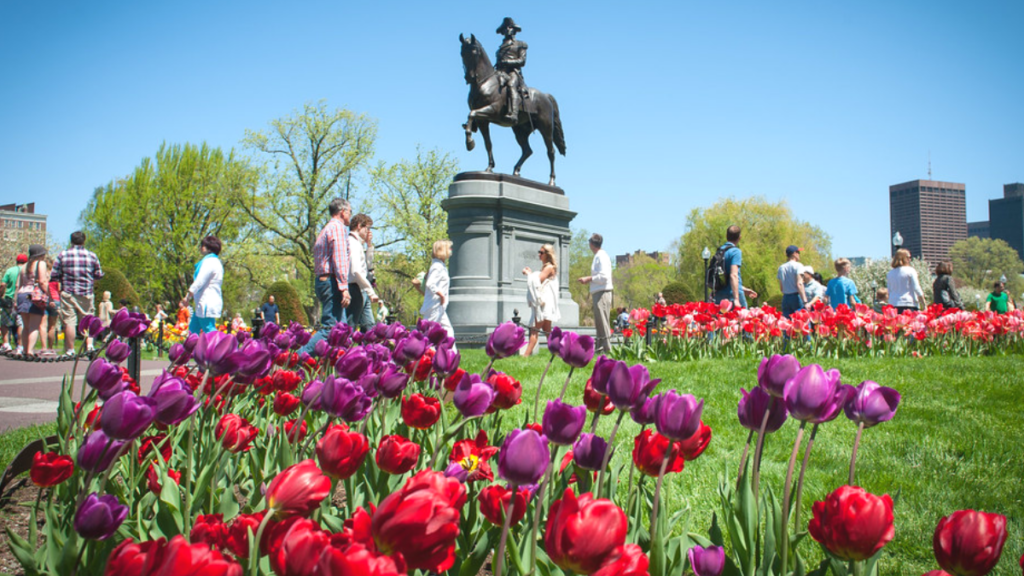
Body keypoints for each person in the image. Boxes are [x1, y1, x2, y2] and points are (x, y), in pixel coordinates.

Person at [305, 198, 352, 351]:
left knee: (341, 330)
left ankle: (337, 365)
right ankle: (297, 358)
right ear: (342, 212)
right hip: (332, 283)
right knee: (330, 329)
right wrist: (344, 287)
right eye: (350, 212)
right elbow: (339, 259)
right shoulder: (337, 228)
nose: (350, 216)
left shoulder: (325, 229)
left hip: (323, 281)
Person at [51, 230, 104, 357]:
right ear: (84, 241)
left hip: (68, 293)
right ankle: (89, 346)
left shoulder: (63, 255)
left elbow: (54, 275)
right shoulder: (91, 255)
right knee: (88, 320)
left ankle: (70, 350)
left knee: (70, 322)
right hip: (86, 292)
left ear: (71, 241)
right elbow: (98, 274)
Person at [413, 240, 456, 347]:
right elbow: (430, 283)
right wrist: (441, 295)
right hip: (435, 305)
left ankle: (451, 355)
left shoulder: (440, 265)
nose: (451, 250)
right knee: (427, 332)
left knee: (448, 331)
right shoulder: (437, 266)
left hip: (439, 306)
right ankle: (418, 353)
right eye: (449, 248)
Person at [577, 233, 614, 353]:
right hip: (599, 292)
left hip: (602, 293)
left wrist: (589, 278)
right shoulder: (599, 256)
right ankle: (600, 349)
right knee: (599, 322)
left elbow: (604, 277)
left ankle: (608, 350)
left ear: (592, 244)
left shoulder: (601, 256)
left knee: (602, 322)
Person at [180, 235, 224, 334]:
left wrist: (188, 296)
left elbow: (199, 281)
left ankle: (218, 348)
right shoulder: (216, 262)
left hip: (206, 302)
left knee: (209, 330)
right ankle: (191, 349)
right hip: (205, 302)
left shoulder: (209, 262)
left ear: (205, 247)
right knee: (193, 330)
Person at [522, 243, 560, 356]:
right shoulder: (547, 267)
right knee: (547, 331)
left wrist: (529, 273)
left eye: (541, 252)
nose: (539, 254)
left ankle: (525, 356)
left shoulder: (549, 267)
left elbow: (537, 281)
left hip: (544, 304)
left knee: (534, 330)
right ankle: (557, 354)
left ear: (547, 255)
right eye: (539, 252)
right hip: (546, 303)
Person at [346, 213, 379, 332]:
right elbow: (356, 271)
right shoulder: (352, 243)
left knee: (369, 327)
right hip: (354, 288)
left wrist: (369, 244)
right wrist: (370, 291)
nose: (368, 232)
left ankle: (370, 350)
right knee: (350, 325)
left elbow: (368, 265)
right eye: (367, 228)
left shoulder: (358, 244)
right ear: (359, 226)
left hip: (361, 290)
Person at [713, 226, 758, 309]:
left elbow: (724, 278)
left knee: (722, 320)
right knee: (743, 320)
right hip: (732, 295)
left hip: (720, 295)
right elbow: (733, 275)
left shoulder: (719, 251)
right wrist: (736, 299)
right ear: (739, 237)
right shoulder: (735, 252)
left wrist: (744, 289)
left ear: (726, 236)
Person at [16, 245, 49, 356]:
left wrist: (15, 300)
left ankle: (24, 350)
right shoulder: (41, 264)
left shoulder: (24, 266)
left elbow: (18, 284)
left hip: (22, 294)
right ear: (40, 254)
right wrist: (50, 294)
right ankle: (30, 351)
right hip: (34, 296)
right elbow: (42, 281)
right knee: (34, 326)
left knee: (26, 326)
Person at [495, 17, 529, 123]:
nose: (508, 29)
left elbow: (522, 61)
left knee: (511, 85)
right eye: (506, 28)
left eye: (510, 27)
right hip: (500, 72)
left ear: (514, 29)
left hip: (514, 72)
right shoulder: (500, 48)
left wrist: (507, 62)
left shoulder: (521, 44)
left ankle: (513, 113)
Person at [1, 254, 26, 352]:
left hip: (9, 298)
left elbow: (3, 284)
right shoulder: (27, 271)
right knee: (20, 323)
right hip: (22, 299)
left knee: (5, 322)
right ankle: (20, 345)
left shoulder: (10, 270)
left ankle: (6, 344)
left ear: (16, 261)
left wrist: (0, 294)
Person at [777, 245, 808, 318]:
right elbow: (799, 284)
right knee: (801, 321)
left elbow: (781, 287)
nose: (799, 254)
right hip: (796, 296)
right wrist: (805, 301)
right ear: (794, 253)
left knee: (787, 323)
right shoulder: (798, 266)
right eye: (798, 252)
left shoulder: (781, 268)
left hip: (786, 297)